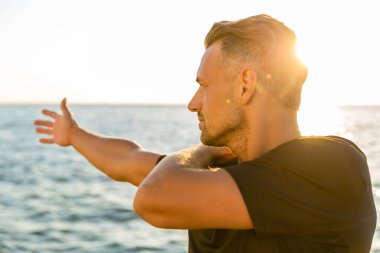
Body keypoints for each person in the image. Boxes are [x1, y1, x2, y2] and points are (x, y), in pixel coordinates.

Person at [34, 14, 376, 253]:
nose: (192, 103)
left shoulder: (333, 166)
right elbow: (128, 161)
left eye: (204, 85)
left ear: (245, 85)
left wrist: (199, 153)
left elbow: (153, 198)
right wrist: (74, 135)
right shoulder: (223, 173)